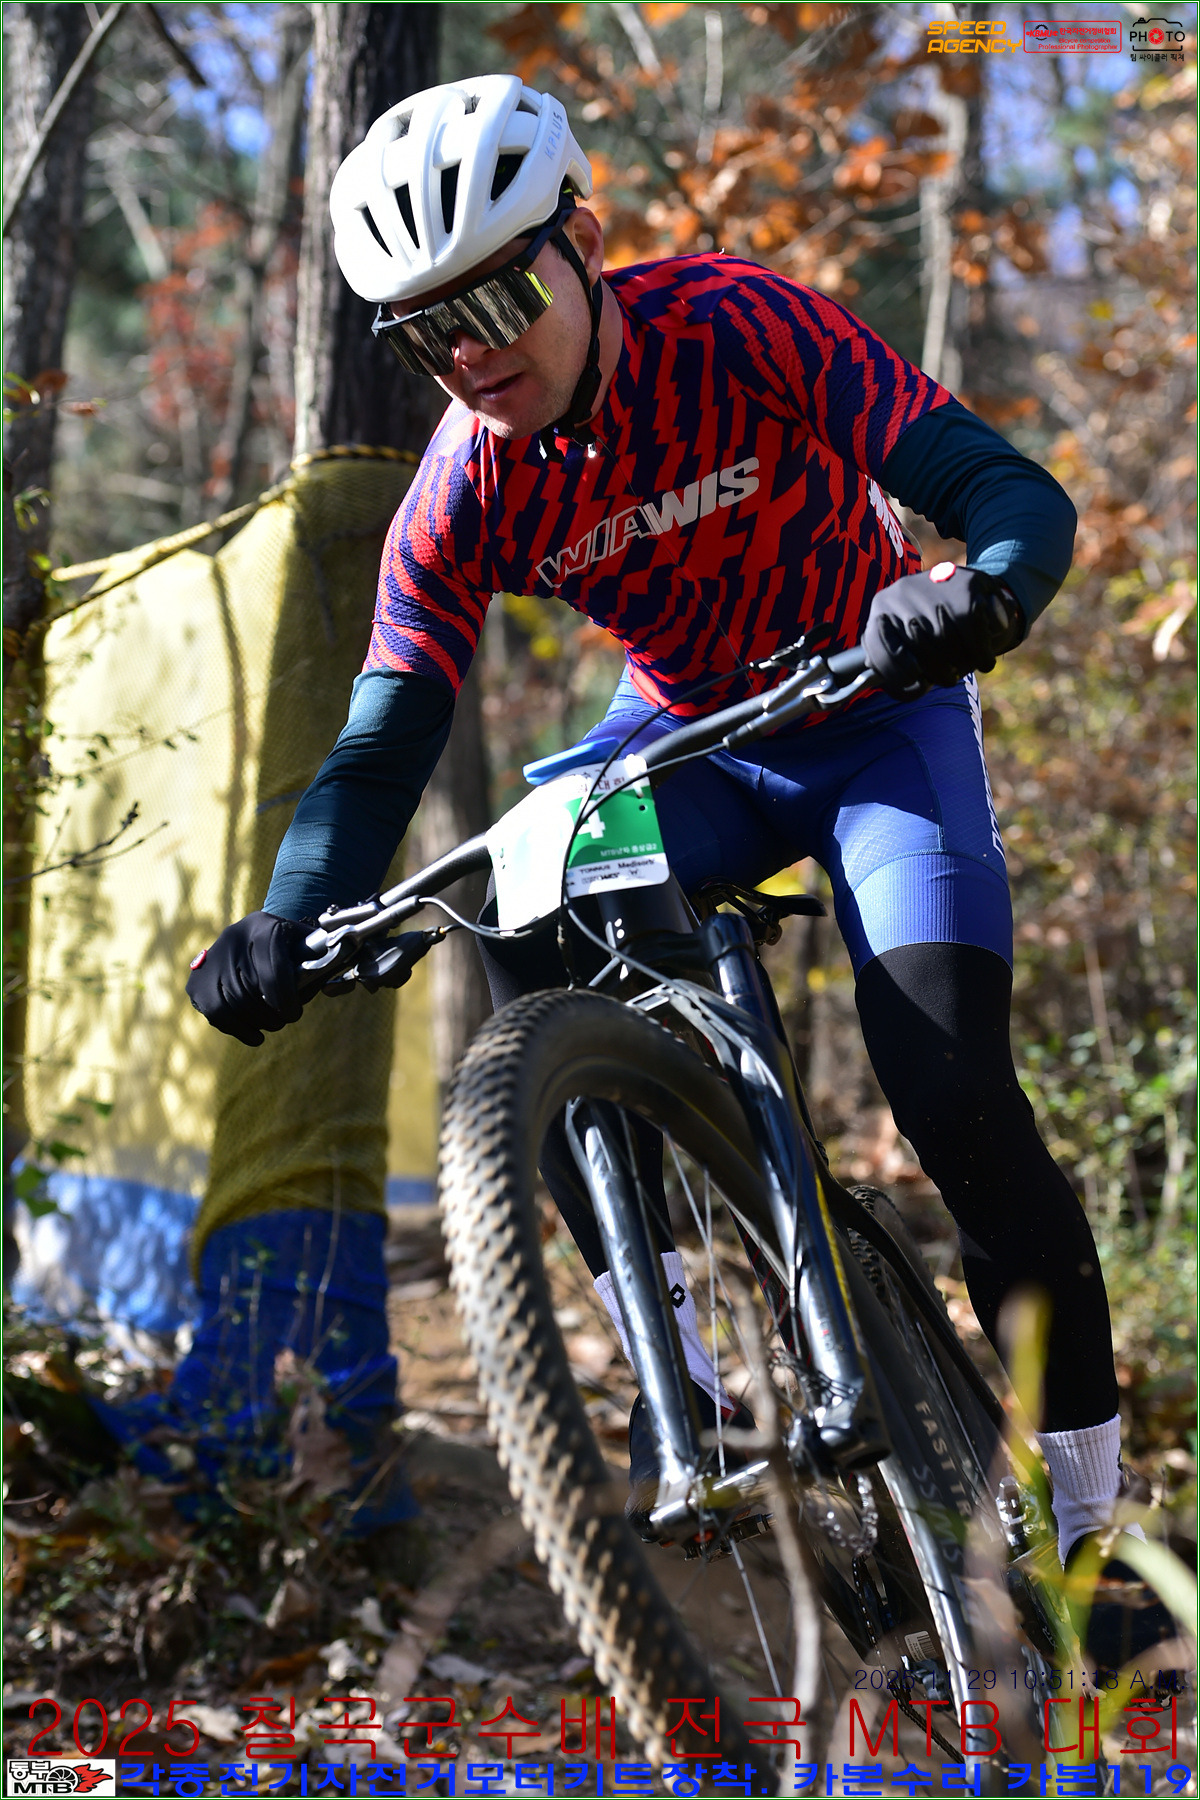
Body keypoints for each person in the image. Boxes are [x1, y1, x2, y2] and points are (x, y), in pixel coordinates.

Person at [185, 75, 1172, 1665]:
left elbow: (1006, 491)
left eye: (498, 299)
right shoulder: (462, 485)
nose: (472, 352)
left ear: (584, 243)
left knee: (954, 1093)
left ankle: (1088, 1529)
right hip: (687, 744)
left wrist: (979, 589)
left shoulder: (738, 324)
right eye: (428, 333)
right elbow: (381, 744)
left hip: (875, 713)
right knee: (516, 885)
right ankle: (678, 1363)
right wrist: (289, 915)